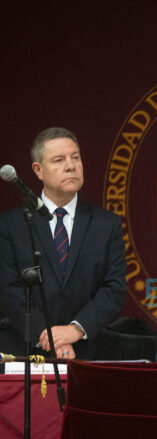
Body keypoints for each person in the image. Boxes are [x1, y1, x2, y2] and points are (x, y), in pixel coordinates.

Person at [0, 127, 126, 360]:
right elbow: (8, 290)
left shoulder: (106, 224)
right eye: (59, 160)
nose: (70, 165)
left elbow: (114, 288)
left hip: (87, 351)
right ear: (38, 170)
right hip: (23, 351)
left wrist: (75, 330)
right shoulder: (11, 225)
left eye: (75, 157)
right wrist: (46, 336)